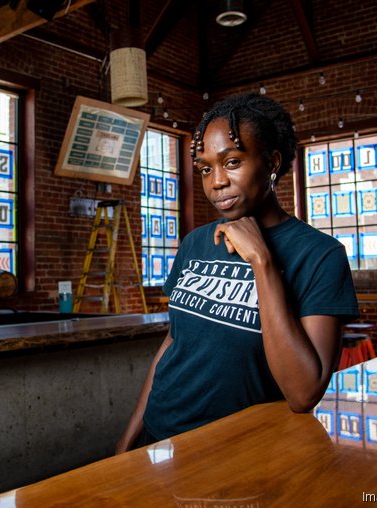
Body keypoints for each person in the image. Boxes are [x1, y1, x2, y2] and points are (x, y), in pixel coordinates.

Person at [115, 93, 359, 453]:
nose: (216, 182)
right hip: (160, 440)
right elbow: (174, 343)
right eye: (205, 168)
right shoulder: (195, 243)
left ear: (272, 161)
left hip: (241, 451)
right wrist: (129, 438)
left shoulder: (321, 256)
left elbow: (303, 392)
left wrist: (261, 261)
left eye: (232, 162)